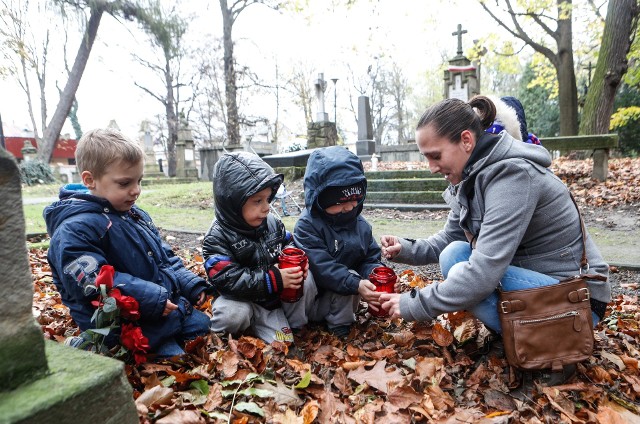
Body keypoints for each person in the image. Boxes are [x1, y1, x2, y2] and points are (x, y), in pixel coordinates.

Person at [379, 96, 611, 379]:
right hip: (541, 286)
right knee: (453, 254)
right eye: (426, 157)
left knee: (465, 269)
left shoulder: (513, 177)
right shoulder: (472, 176)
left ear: (466, 140)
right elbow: (448, 240)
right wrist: (405, 248)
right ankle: (523, 336)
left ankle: (553, 349)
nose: (431, 167)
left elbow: (482, 274)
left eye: (435, 155)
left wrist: (411, 303)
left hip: (577, 300)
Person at [45, 128, 211, 359]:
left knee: (204, 327)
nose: (136, 190)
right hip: (123, 323)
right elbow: (96, 284)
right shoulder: (74, 230)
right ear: (90, 180)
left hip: (162, 307)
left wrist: (190, 284)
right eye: (125, 183)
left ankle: (170, 330)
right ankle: (89, 345)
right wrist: (152, 299)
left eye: (139, 180)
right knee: (174, 358)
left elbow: (164, 257)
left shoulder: (133, 214)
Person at [202, 152, 315, 344]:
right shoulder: (217, 237)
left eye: (268, 199)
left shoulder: (271, 223)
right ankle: (220, 339)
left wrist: (295, 261)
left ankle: (294, 327)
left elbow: (288, 242)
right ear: (233, 202)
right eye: (257, 201)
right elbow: (228, 281)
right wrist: (273, 279)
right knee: (233, 314)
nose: (266, 208)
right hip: (238, 300)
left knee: (284, 340)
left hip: (270, 302)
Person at [294, 146, 386, 337]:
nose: (349, 207)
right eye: (340, 203)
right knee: (305, 277)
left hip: (338, 297)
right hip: (311, 299)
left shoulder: (361, 225)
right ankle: (297, 324)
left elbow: (370, 257)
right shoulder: (307, 225)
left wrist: (374, 276)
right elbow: (322, 266)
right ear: (320, 199)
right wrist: (355, 283)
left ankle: (340, 323)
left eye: (354, 200)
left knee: (352, 275)